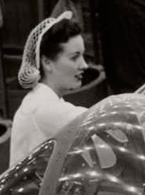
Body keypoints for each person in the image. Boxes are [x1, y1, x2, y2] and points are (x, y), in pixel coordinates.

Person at [10, 11, 89, 165]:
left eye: (83, 56)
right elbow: (101, 120)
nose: (84, 65)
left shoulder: (41, 99)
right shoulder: (43, 107)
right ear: (47, 62)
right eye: (74, 57)